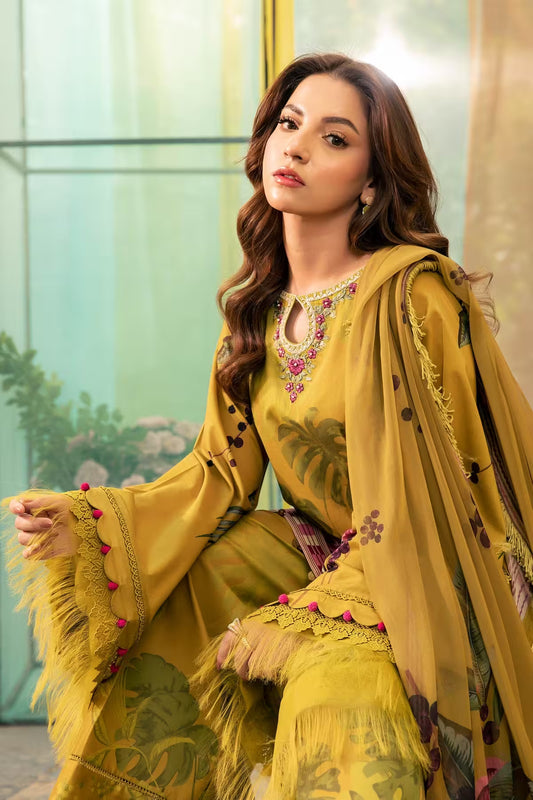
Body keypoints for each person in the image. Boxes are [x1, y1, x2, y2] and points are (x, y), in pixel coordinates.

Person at [5, 53, 533, 800]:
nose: (297, 147)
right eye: (290, 125)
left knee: (332, 685)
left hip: (426, 569)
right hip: (325, 552)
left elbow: (458, 493)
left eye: (335, 138)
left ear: (373, 180)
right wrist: (90, 523)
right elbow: (219, 477)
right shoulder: (258, 313)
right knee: (191, 592)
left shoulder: (411, 295)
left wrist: (325, 613)